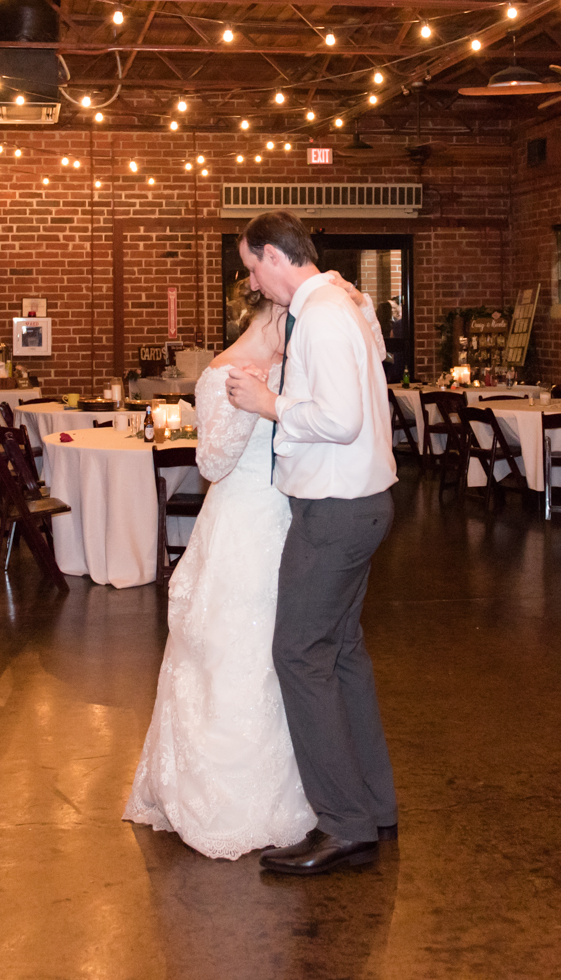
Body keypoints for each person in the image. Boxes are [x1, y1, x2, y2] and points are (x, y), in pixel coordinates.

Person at [124, 272, 385, 860]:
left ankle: (330, 798)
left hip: (299, 518)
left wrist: (271, 399)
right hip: (244, 525)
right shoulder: (224, 370)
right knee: (242, 654)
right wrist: (251, 405)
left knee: (299, 656)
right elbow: (213, 462)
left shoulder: (303, 353)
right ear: (267, 309)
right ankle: (246, 799)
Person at [224, 211, 398, 876]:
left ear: (274, 255)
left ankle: (343, 822)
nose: (251, 279)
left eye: (251, 265)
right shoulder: (345, 300)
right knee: (342, 653)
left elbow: (341, 416)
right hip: (359, 505)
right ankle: (373, 804)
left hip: (334, 509)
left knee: (297, 654)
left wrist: (267, 402)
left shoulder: (322, 311)